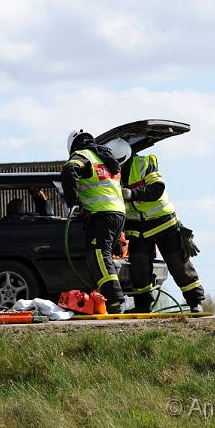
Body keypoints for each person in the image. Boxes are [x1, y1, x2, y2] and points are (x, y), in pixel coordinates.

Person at [106, 137, 204, 313]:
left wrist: (132, 193)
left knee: (178, 264)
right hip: (138, 227)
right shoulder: (112, 172)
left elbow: (157, 189)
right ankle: (143, 306)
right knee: (138, 267)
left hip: (163, 223)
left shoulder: (145, 163)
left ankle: (195, 302)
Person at [61, 129, 126, 314]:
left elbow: (69, 170)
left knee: (98, 256)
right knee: (102, 257)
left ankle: (114, 301)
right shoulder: (107, 159)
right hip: (119, 214)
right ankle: (105, 299)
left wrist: (74, 204)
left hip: (102, 214)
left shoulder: (83, 155)